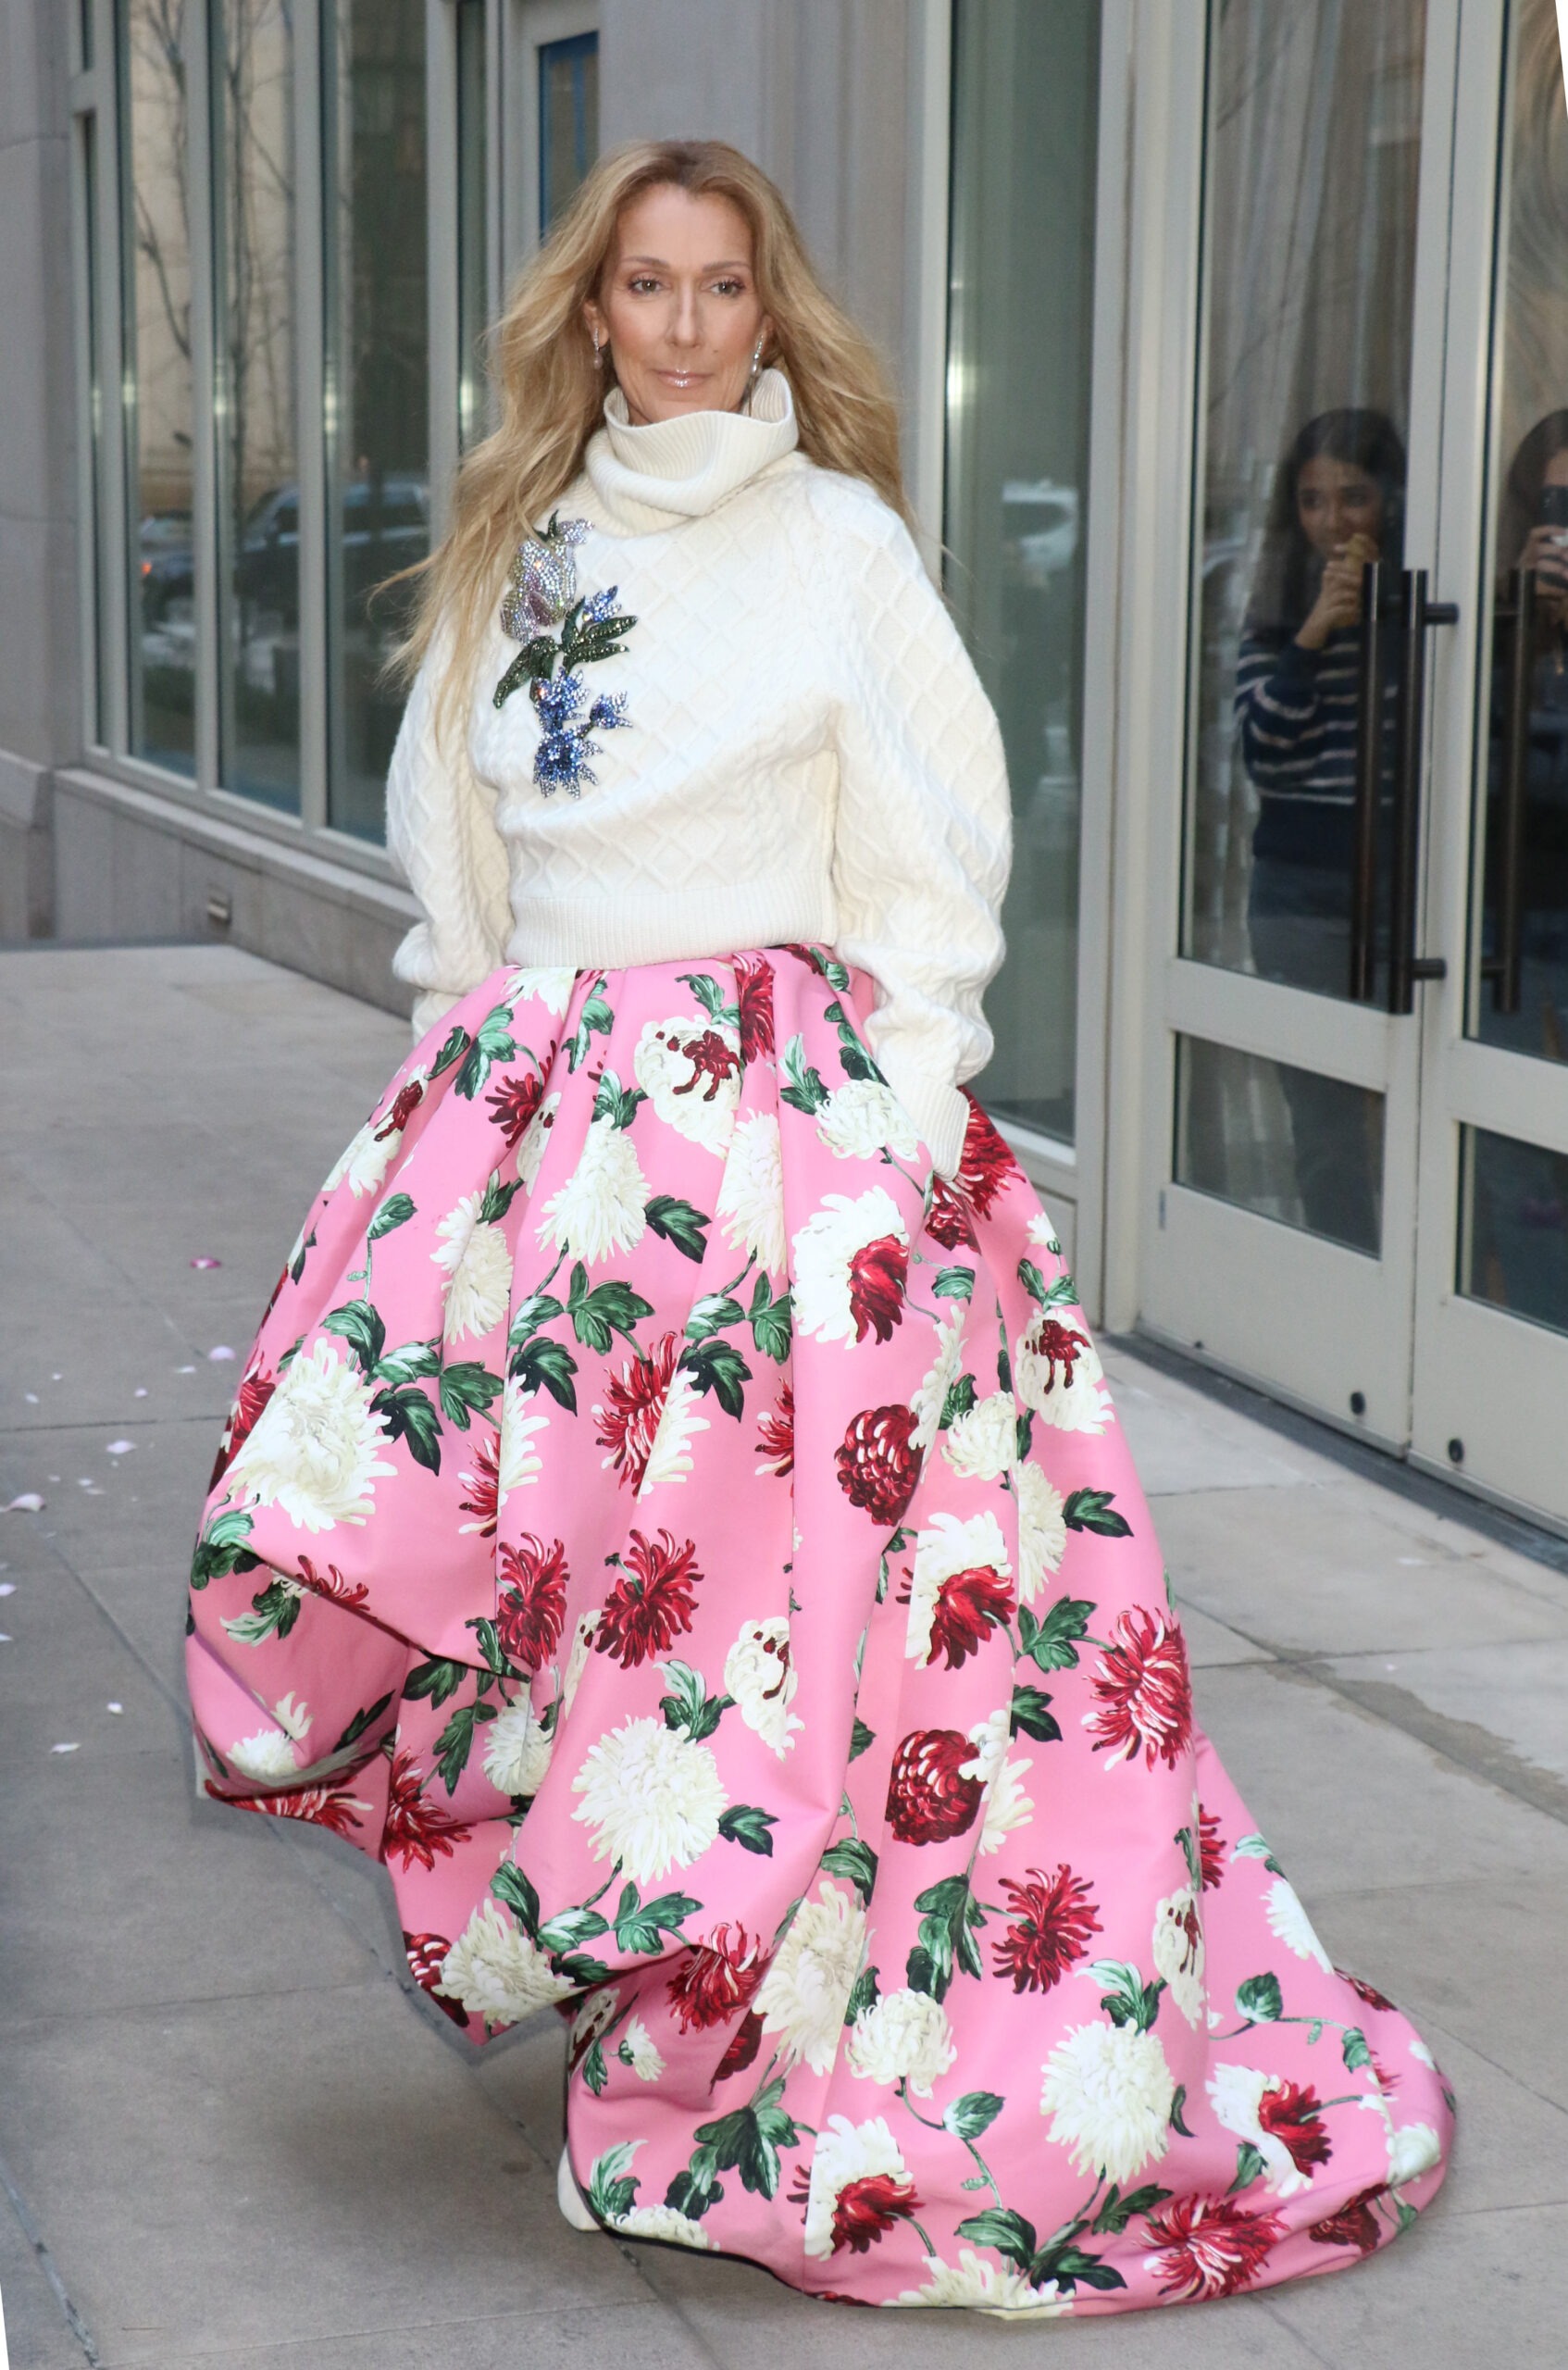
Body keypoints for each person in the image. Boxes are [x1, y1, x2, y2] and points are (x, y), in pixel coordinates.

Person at [185, 143, 1451, 2316]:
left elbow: (938, 840)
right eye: (644, 286)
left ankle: (806, 2029)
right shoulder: (518, 542)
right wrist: (460, 1124)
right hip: (563, 1142)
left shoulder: (842, 542)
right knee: (594, 1607)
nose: (681, 326)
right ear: (590, 311)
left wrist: (897, 1103)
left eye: (722, 288)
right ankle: (657, 1992)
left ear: (773, 313)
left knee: (802, 1621)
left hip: (790, 1148)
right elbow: (453, 859)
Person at [1233, 410, 1407, 1251]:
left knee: (1411, 1103)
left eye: (1354, 497)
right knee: (1327, 1120)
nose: (1332, 522)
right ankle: (1345, 1279)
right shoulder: (1274, 605)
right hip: (1300, 888)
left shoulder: (1418, 602)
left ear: (1391, 503)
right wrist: (1312, 637)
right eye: (1311, 500)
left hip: (1408, 883)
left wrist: (1382, 624)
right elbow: (1262, 753)